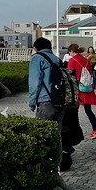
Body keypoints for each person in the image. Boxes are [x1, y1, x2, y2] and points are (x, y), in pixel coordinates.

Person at [28, 37, 69, 170]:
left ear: (36, 48)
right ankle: (56, 164)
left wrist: (32, 102)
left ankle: (41, 166)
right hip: (60, 101)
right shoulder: (56, 59)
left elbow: (35, 82)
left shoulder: (37, 58)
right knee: (56, 135)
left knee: (41, 133)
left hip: (45, 101)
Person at [67, 43, 96, 139]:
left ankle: (73, 132)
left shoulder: (72, 60)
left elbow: (69, 76)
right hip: (86, 87)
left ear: (72, 51)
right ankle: (95, 129)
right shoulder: (86, 60)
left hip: (76, 89)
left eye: (70, 52)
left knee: (73, 111)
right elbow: (90, 73)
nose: (70, 54)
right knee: (88, 110)